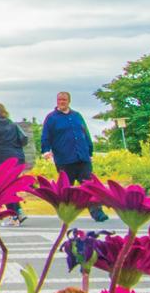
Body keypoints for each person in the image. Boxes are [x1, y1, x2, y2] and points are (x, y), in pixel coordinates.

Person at [39, 90, 107, 220]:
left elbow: (85, 133)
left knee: (89, 186)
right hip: (64, 159)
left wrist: (90, 151)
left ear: (69, 101)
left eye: (64, 100)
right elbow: (45, 135)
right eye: (59, 100)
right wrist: (46, 150)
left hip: (82, 157)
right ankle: (66, 213)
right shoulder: (51, 118)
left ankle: (97, 213)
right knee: (66, 190)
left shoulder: (77, 116)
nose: (61, 102)